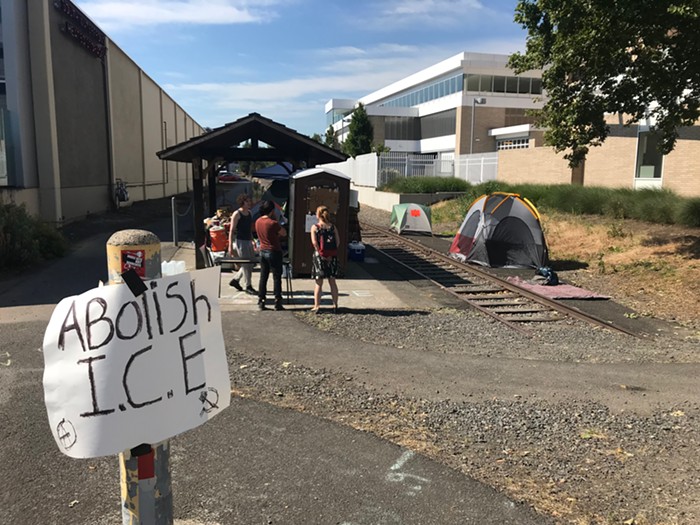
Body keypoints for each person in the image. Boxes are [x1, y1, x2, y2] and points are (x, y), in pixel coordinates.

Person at [254, 200, 287, 311]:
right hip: (274, 250)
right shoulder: (272, 223)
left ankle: (261, 300)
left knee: (263, 277)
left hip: (262, 250)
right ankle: (277, 301)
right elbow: (283, 233)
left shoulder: (258, 221)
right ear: (272, 211)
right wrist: (276, 220)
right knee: (276, 277)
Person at [310, 205, 340, 313]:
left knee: (319, 283)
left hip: (319, 256)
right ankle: (335, 305)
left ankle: (317, 306)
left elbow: (314, 242)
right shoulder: (333, 227)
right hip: (332, 256)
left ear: (318, 215)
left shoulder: (315, 227)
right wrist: (331, 254)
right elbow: (337, 242)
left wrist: (320, 253)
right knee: (332, 281)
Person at [227, 193, 256, 295]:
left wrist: (253, 240)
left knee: (251, 263)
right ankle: (248, 285)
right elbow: (231, 230)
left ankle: (236, 279)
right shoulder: (237, 213)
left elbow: (249, 229)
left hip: (248, 240)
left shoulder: (250, 213)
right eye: (247, 201)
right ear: (242, 202)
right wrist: (230, 245)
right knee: (246, 263)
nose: (249, 203)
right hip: (241, 241)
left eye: (249, 201)